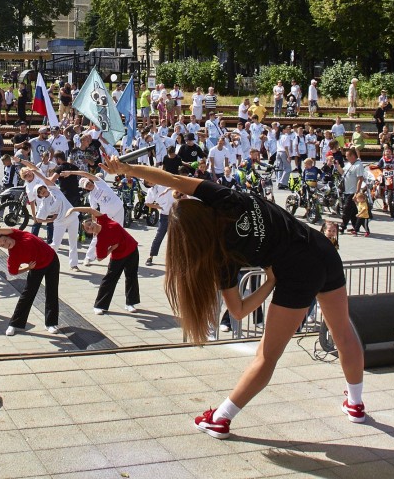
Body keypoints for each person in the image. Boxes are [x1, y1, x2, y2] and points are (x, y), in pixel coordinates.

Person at [99, 153, 366, 439]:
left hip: (297, 274)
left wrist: (270, 283)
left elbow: (237, 311)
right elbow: (173, 179)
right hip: (321, 248)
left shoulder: (221, 257)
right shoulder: (225, 199)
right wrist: (127, 169)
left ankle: (221, 418)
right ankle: (356, 403)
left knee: (267, 356)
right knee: (343, 334)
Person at [0, 225, 61, 336]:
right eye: (2, 245)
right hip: (36, 267)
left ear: (8, 235)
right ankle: (14, 324)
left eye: (5, 240)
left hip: (52, 260)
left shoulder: (18, 234)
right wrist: (27, 268)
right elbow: (13, 272)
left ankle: (50, 323)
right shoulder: (13, 256)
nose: (6, 245)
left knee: (52, 292)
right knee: (28, 294)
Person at [68, 207, 140, 314]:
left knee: (131, 276)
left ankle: (130, 303)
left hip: (132, 249)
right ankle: (100, 305)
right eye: (86, 229)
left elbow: (90, 209)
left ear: (92, 221)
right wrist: (111, 249)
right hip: (118, 256)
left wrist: (73, 209)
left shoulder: (103, 220)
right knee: (110, 279)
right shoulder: (100, 240)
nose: (88, 227)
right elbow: (100, 258)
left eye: (88, 224)